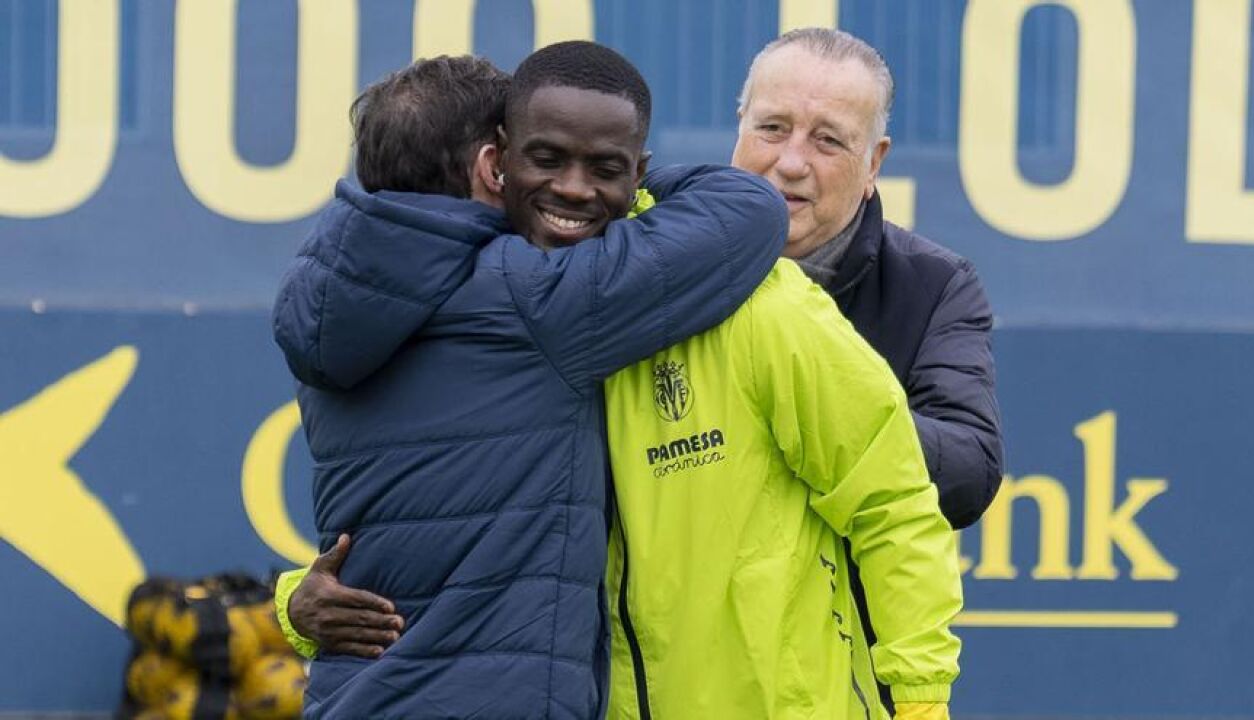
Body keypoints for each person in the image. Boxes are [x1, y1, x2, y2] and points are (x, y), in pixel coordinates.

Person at [280, 42, 963, 719]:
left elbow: (893, 504)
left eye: (601, 166)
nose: (573, 187)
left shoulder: (335, 317)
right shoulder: (529, 303)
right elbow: (435, 525)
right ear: (497, 164)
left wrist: (921, 698)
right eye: (546, 157)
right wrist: (630, 177)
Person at [731, 28, 1003, 712]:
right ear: (739, 127)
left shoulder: (934, 285)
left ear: (874, 161)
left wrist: (827, 407)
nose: (791, 162)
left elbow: (969, 469)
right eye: (772, 128)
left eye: (828, 141)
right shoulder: (658, 263)